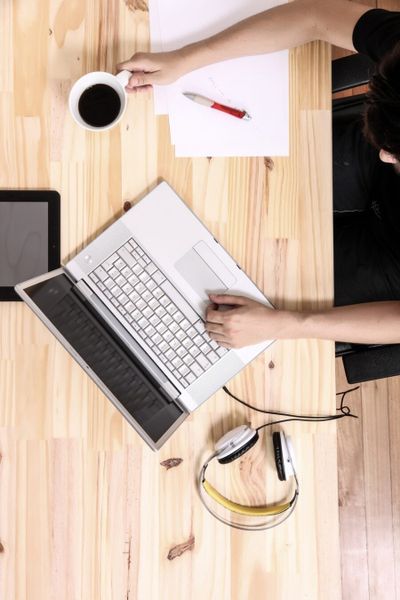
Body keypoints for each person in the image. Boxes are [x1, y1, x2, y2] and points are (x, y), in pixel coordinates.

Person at [117, 1, 400, 349]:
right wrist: (185, 59)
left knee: (241, 291)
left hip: (392, 265)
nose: (386, 155)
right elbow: (315, 17)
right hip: (368, 173)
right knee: (240, 192)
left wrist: (286, 324)